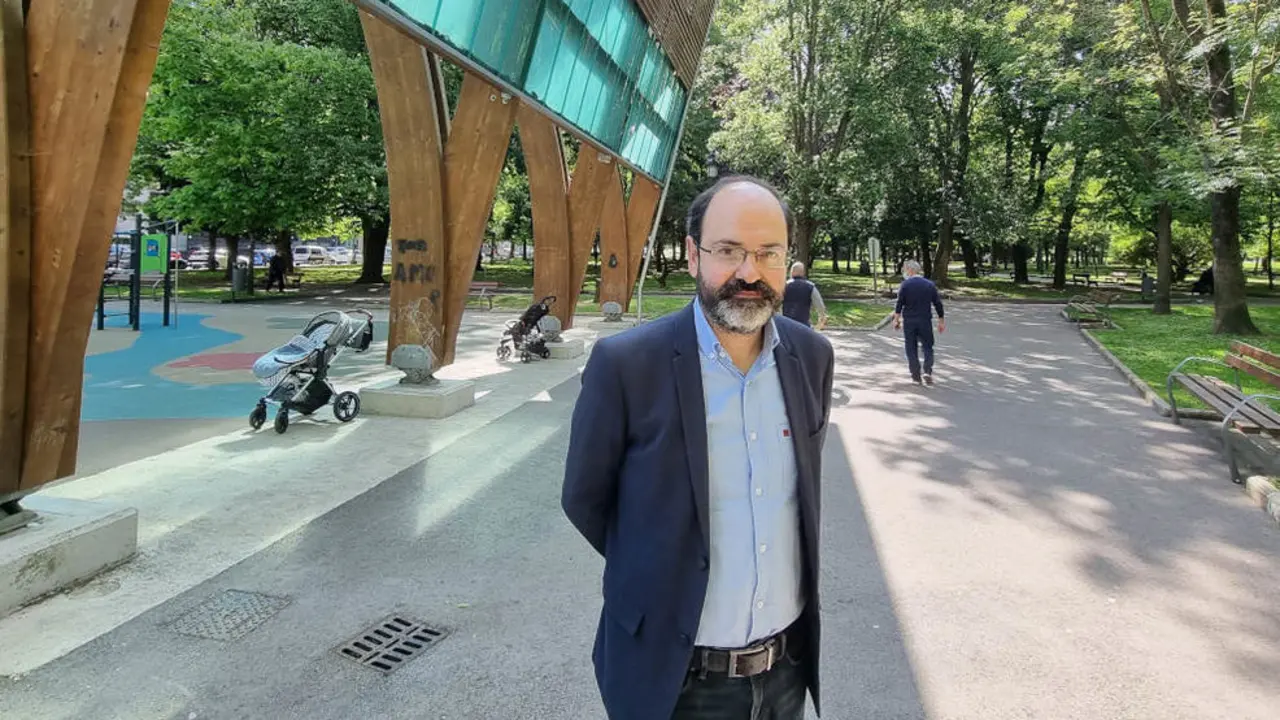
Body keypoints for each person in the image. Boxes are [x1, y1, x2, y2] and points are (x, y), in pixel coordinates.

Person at [562, 176, 835, 720]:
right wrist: (662, 565)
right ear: (692, 255)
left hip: (785, 671)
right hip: (676, 679)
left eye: (768, 253)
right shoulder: (627, 366)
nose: (749, 273)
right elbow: (585, 500)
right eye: (728, 251)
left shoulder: (812, 357)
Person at [892, 259, 945, 385]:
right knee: (928, 346)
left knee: (911, 348)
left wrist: (896, 319)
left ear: (910, 270)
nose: (904, 272)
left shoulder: (905, 285)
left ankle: (916, 376)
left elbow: (899, 304)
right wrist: (941, 321)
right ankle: (927, 371)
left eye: (905, 269)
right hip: (925, 320)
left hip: (909, 321)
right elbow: (938, 304)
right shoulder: (929, 285)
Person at [781, 262, 827, 330]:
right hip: (803, 325)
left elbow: (777, 305)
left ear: (791, 272)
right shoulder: (810, 286)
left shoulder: (784, 286)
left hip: (786, 325)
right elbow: (820, 306)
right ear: (803, 273)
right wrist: (821, 319)